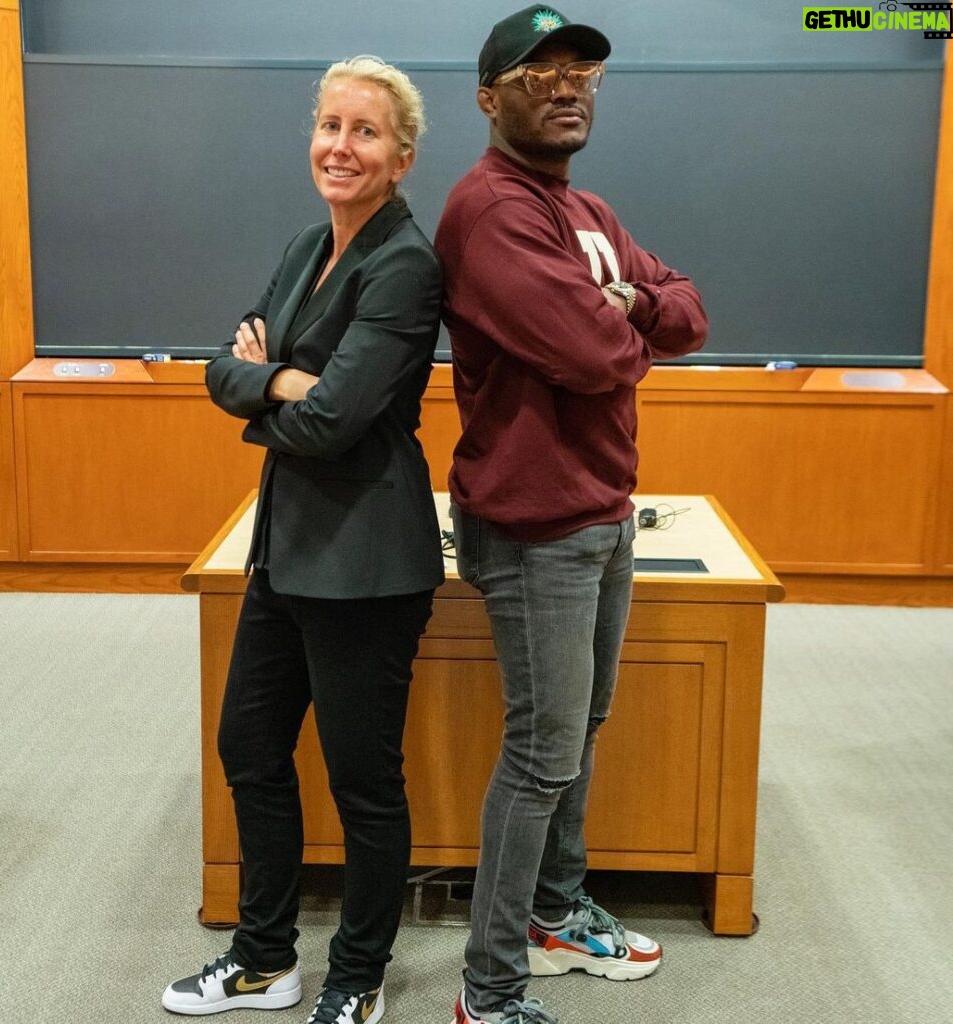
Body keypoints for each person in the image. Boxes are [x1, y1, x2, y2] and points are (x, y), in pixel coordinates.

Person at [433, 8, 708, 1024]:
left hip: (601, 510)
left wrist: (629, 305)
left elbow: (687, 310)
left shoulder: (584, 206)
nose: (568, 86)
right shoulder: (489, 210)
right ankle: (488, 990)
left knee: (577, 730)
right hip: (533, 524)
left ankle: (554, 911)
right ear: (488, 96)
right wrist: (630, 313)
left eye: (583, 71)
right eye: (540, 70)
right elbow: (595, 355)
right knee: (541, 752)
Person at [162, 56, 444, 1024]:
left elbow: (333, 422)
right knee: (249, 745)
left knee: (363, 781)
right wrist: (284, 381)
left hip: (367, 558)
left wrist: (273, 377)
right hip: (286, 542)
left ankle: (357, 977)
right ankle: (263, 959)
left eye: (365, 132)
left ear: (400, 158)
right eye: (330, 125)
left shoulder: (406, 266)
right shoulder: (302, 247)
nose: (340, 145)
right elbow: (223, 366)